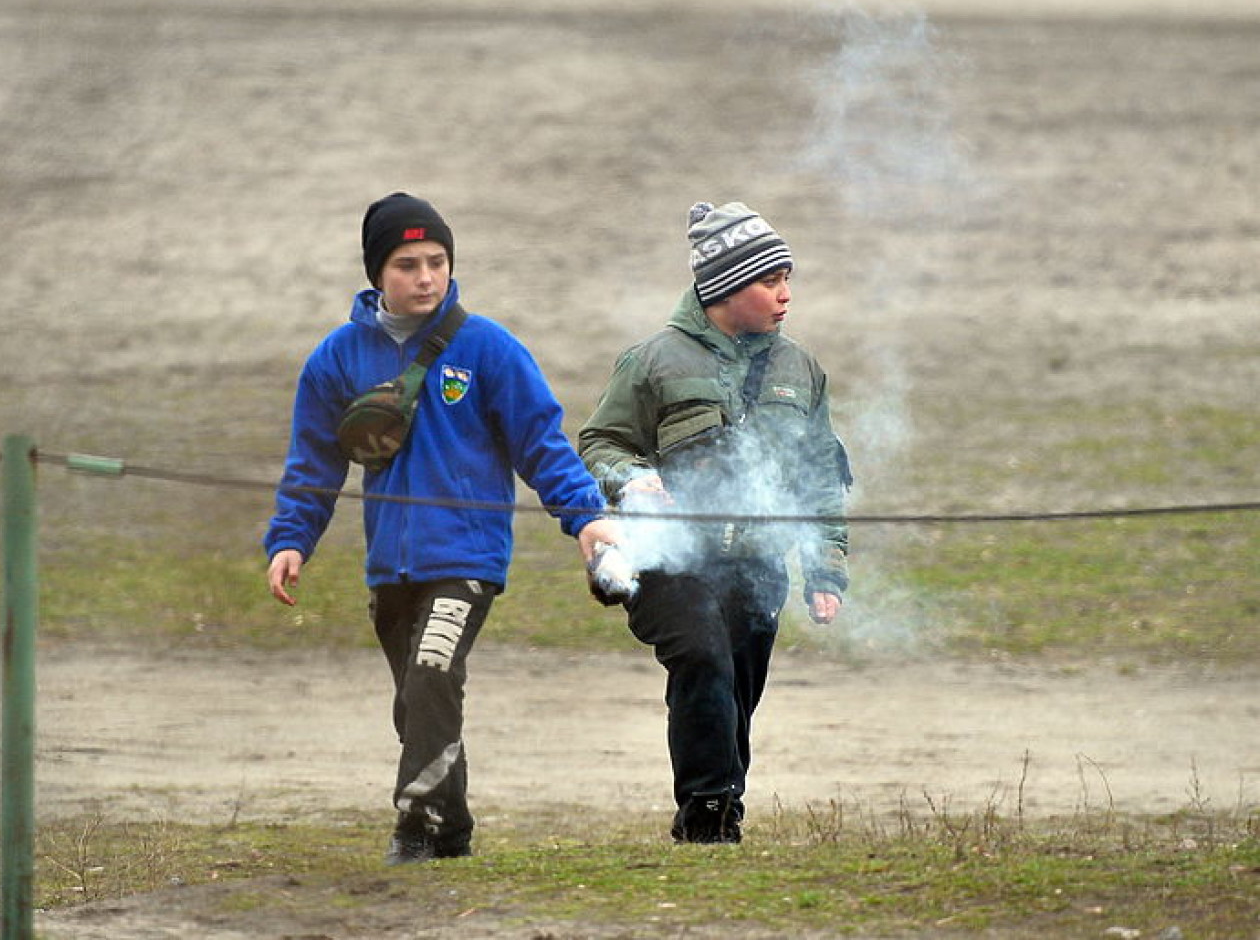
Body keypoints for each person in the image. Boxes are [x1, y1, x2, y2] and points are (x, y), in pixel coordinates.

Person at [264, 191, 618, 864]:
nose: (426, 276)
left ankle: (416, 828)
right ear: (377, 274)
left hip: (467, 557)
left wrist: (587, 519)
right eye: (407, 263)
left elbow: (542, 444)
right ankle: (451, 826)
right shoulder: (336, 360)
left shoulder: (488, 349)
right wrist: (289, 540)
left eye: (437, 261)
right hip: (390, 565)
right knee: (417, 704)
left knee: (430, 676)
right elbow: (312, 463)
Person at [578, 200, 851, 845]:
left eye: (789, 280)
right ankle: (708, 817)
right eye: (771, 281)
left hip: (758, 564)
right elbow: (601, 443)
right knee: (702, 658)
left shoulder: (801, 370)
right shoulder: (652, 362)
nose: (786, 296)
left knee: (733, 694)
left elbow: (820, 477)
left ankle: (721, 807)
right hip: (670, 560)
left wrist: (826, 569)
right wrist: (632, 478)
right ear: (726, 287)